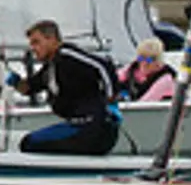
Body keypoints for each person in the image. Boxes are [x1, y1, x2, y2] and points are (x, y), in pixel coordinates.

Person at [7, 20, 119, 155]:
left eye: (36, 42)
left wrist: (112, 103)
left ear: (52, 39)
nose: (33, 48)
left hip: (93, 128)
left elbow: (103, 66)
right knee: (29, 142)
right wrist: (15, 82)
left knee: (30, 143)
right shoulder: (50, 68)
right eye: (31, 44)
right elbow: (29, 87)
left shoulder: (67, 54)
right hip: (78, 126)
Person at [117, 38, 178, 103]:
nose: (144, 63)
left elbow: (144, 103)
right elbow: (113, 79)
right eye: (141, 58)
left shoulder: (165, 79)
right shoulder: (132, 69)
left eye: (149, 60)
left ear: (157, 61)